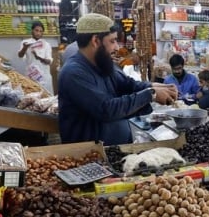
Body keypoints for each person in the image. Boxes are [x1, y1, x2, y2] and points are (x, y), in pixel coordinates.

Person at [58, 13, 177, 145]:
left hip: (115, 147)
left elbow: (127, 85)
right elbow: (106, 109)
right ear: (95, 41)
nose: (117, 47)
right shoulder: (74, 73)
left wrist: (156, 86)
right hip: (89, 155)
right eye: (112, 41)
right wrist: (151, 94)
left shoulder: (102, 64)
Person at [19, 21, 53, 94]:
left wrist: (39, 58)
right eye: (36, 30)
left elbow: (49, 61)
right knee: (32, 99)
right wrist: (25, 48)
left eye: (41, 31)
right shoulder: (26, 43)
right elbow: (20, 55)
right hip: (31, 75)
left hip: (44, 76)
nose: (38, 33)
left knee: (47, 99)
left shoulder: (46, 44)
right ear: (32, 30)